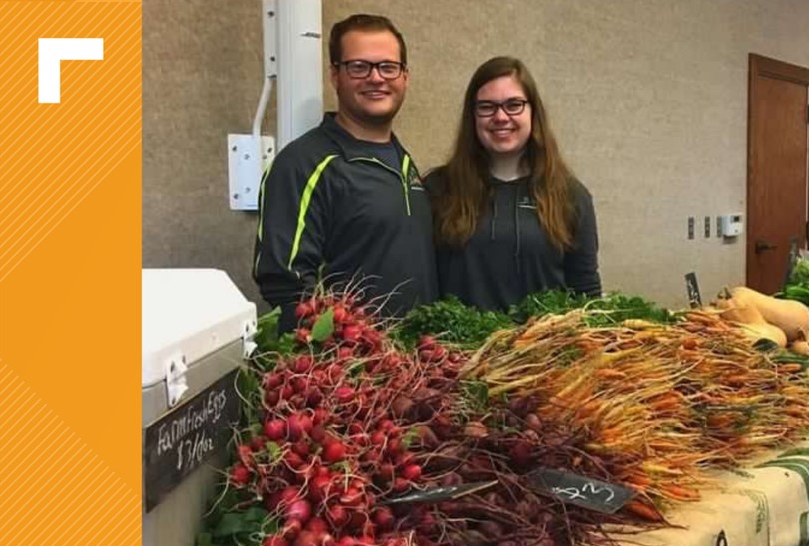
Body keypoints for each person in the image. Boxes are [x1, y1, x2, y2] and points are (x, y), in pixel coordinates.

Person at [253, 14, 437, 330]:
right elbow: (287, 285)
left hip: (415, 366)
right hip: (356, 370)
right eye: (359, 67)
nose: (376, 78)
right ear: (335, 75)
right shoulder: (303, 164)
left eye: (388, 67)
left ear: (405, 76)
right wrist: (351, 356)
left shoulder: (404, 162)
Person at [424, 56, 602, 312]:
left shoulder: (570, 196)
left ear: (533, 112)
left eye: (514, 105)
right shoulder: (438, 188)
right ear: (472, 116)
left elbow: (586, 292)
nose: (500, 116)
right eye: (487, 107)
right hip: (458, 351)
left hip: (542, 349)